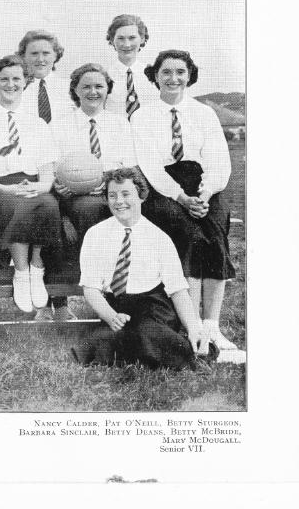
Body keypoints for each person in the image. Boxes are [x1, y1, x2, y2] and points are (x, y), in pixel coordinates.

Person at [132, 49, 237, 350]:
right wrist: (180, 197)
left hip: (204, 184)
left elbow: (218, 161)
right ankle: (190, 325)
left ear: (190, 75)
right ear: (155, 76)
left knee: (214, 235)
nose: (173, 78)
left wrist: (204, 193)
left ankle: (212, 326)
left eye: (180, 72)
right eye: (166, 72)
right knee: (190, 236)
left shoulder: (205, 113)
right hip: (164, 187)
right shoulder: (143, 116)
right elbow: (150, 166)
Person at [71, 168, 212, 369]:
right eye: (112, 196)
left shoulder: (158, 238)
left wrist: (193, 328)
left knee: (146, 331)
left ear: (141, 196)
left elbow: (178, 291)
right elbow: (90, 289)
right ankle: (144, 349)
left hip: (153, 307)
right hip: (117, 305)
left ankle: (188, 350)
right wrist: (110, 316)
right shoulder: (96, 234)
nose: (119, 201)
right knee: (97, 342)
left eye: (126, 194)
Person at [0, 55, 61, 319]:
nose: (10, 84)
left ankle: (36, 267)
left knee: (48, 203)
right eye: (4, 78)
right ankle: (21, 271)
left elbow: (48, 176)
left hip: (32, 184)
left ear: (26, 82)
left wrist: (38, 187)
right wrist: (7, 190)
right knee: (15, 204)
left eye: (16, 78)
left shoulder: (37, 124)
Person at [54, 63, 138, 239]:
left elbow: (130, 165)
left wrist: (108, 181)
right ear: (75, 90)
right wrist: (60, 185)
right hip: (78, 192)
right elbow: (53, 168)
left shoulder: (121, 123)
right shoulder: (59, 126)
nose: (93, 92)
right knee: (90, 208)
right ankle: (92, 261)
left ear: (108, 90)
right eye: (86, 87)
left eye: (99, 86)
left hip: (115, 184)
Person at [16, 29, 72, 142]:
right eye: (34, 54)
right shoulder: (15, 90)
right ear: (23, 56)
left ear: (56, 55)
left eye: (46, 53)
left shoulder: (70, 89)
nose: (40, 59)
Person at [105, 14, 155, 120]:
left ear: (142, 39)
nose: (127, 44)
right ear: (112, 40)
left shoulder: (155, 75)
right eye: (120, 38)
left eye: (132, 38)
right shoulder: (104, 76)